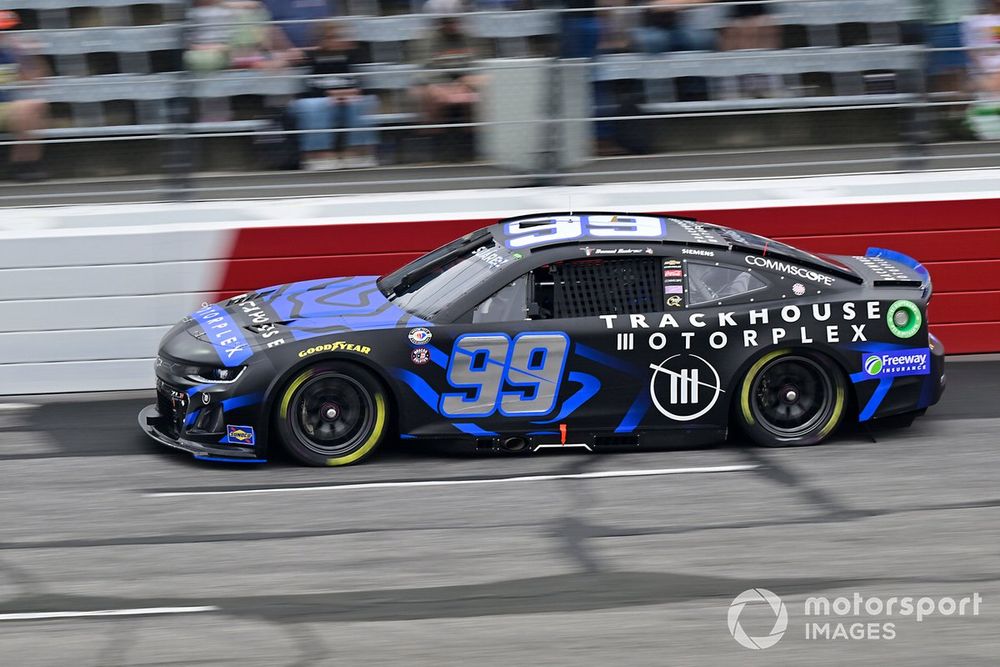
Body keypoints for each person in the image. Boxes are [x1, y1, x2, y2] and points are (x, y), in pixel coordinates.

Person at [290, 22, 378, 169]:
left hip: (347, 102)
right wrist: (330, 95)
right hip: (318, 105)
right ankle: (318, 154)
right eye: (332, 37)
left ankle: (359, 152)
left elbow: (367, 88)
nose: (339, 40)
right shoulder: (309, 59)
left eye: (341, 36)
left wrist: (349, 94)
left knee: (363, 102)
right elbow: (304, 92)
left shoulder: (357, 57)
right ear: (321, 40)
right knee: (314, 104)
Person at [0, 11, 50, 181]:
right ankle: (24, 164)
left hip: (7, 108)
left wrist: (30, 56)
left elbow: (37, 80)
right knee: (27, 108)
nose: (4, 35)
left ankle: (24, 163)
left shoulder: (12, 53)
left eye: (8, 31)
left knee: (33, 106)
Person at [630, 0, 717, 54]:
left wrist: (677, 3)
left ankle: (692, 80)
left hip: (678, 27)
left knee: (705, 38)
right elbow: (657, 6)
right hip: (646, 28)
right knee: (656, 40)